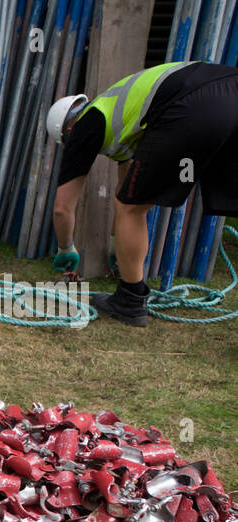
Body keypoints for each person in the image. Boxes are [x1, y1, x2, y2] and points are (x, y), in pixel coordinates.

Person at [46, 60, 238, 326]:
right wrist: (118, 245)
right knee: (135, 204)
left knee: (132, 209)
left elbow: (62, 207)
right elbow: (126, 191)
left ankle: (130, 300)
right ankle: (130, 284)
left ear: (68, 129)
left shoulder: (89, 121)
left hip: (193, 103)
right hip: (229, 90)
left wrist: (65, 247)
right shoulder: (124, 118)